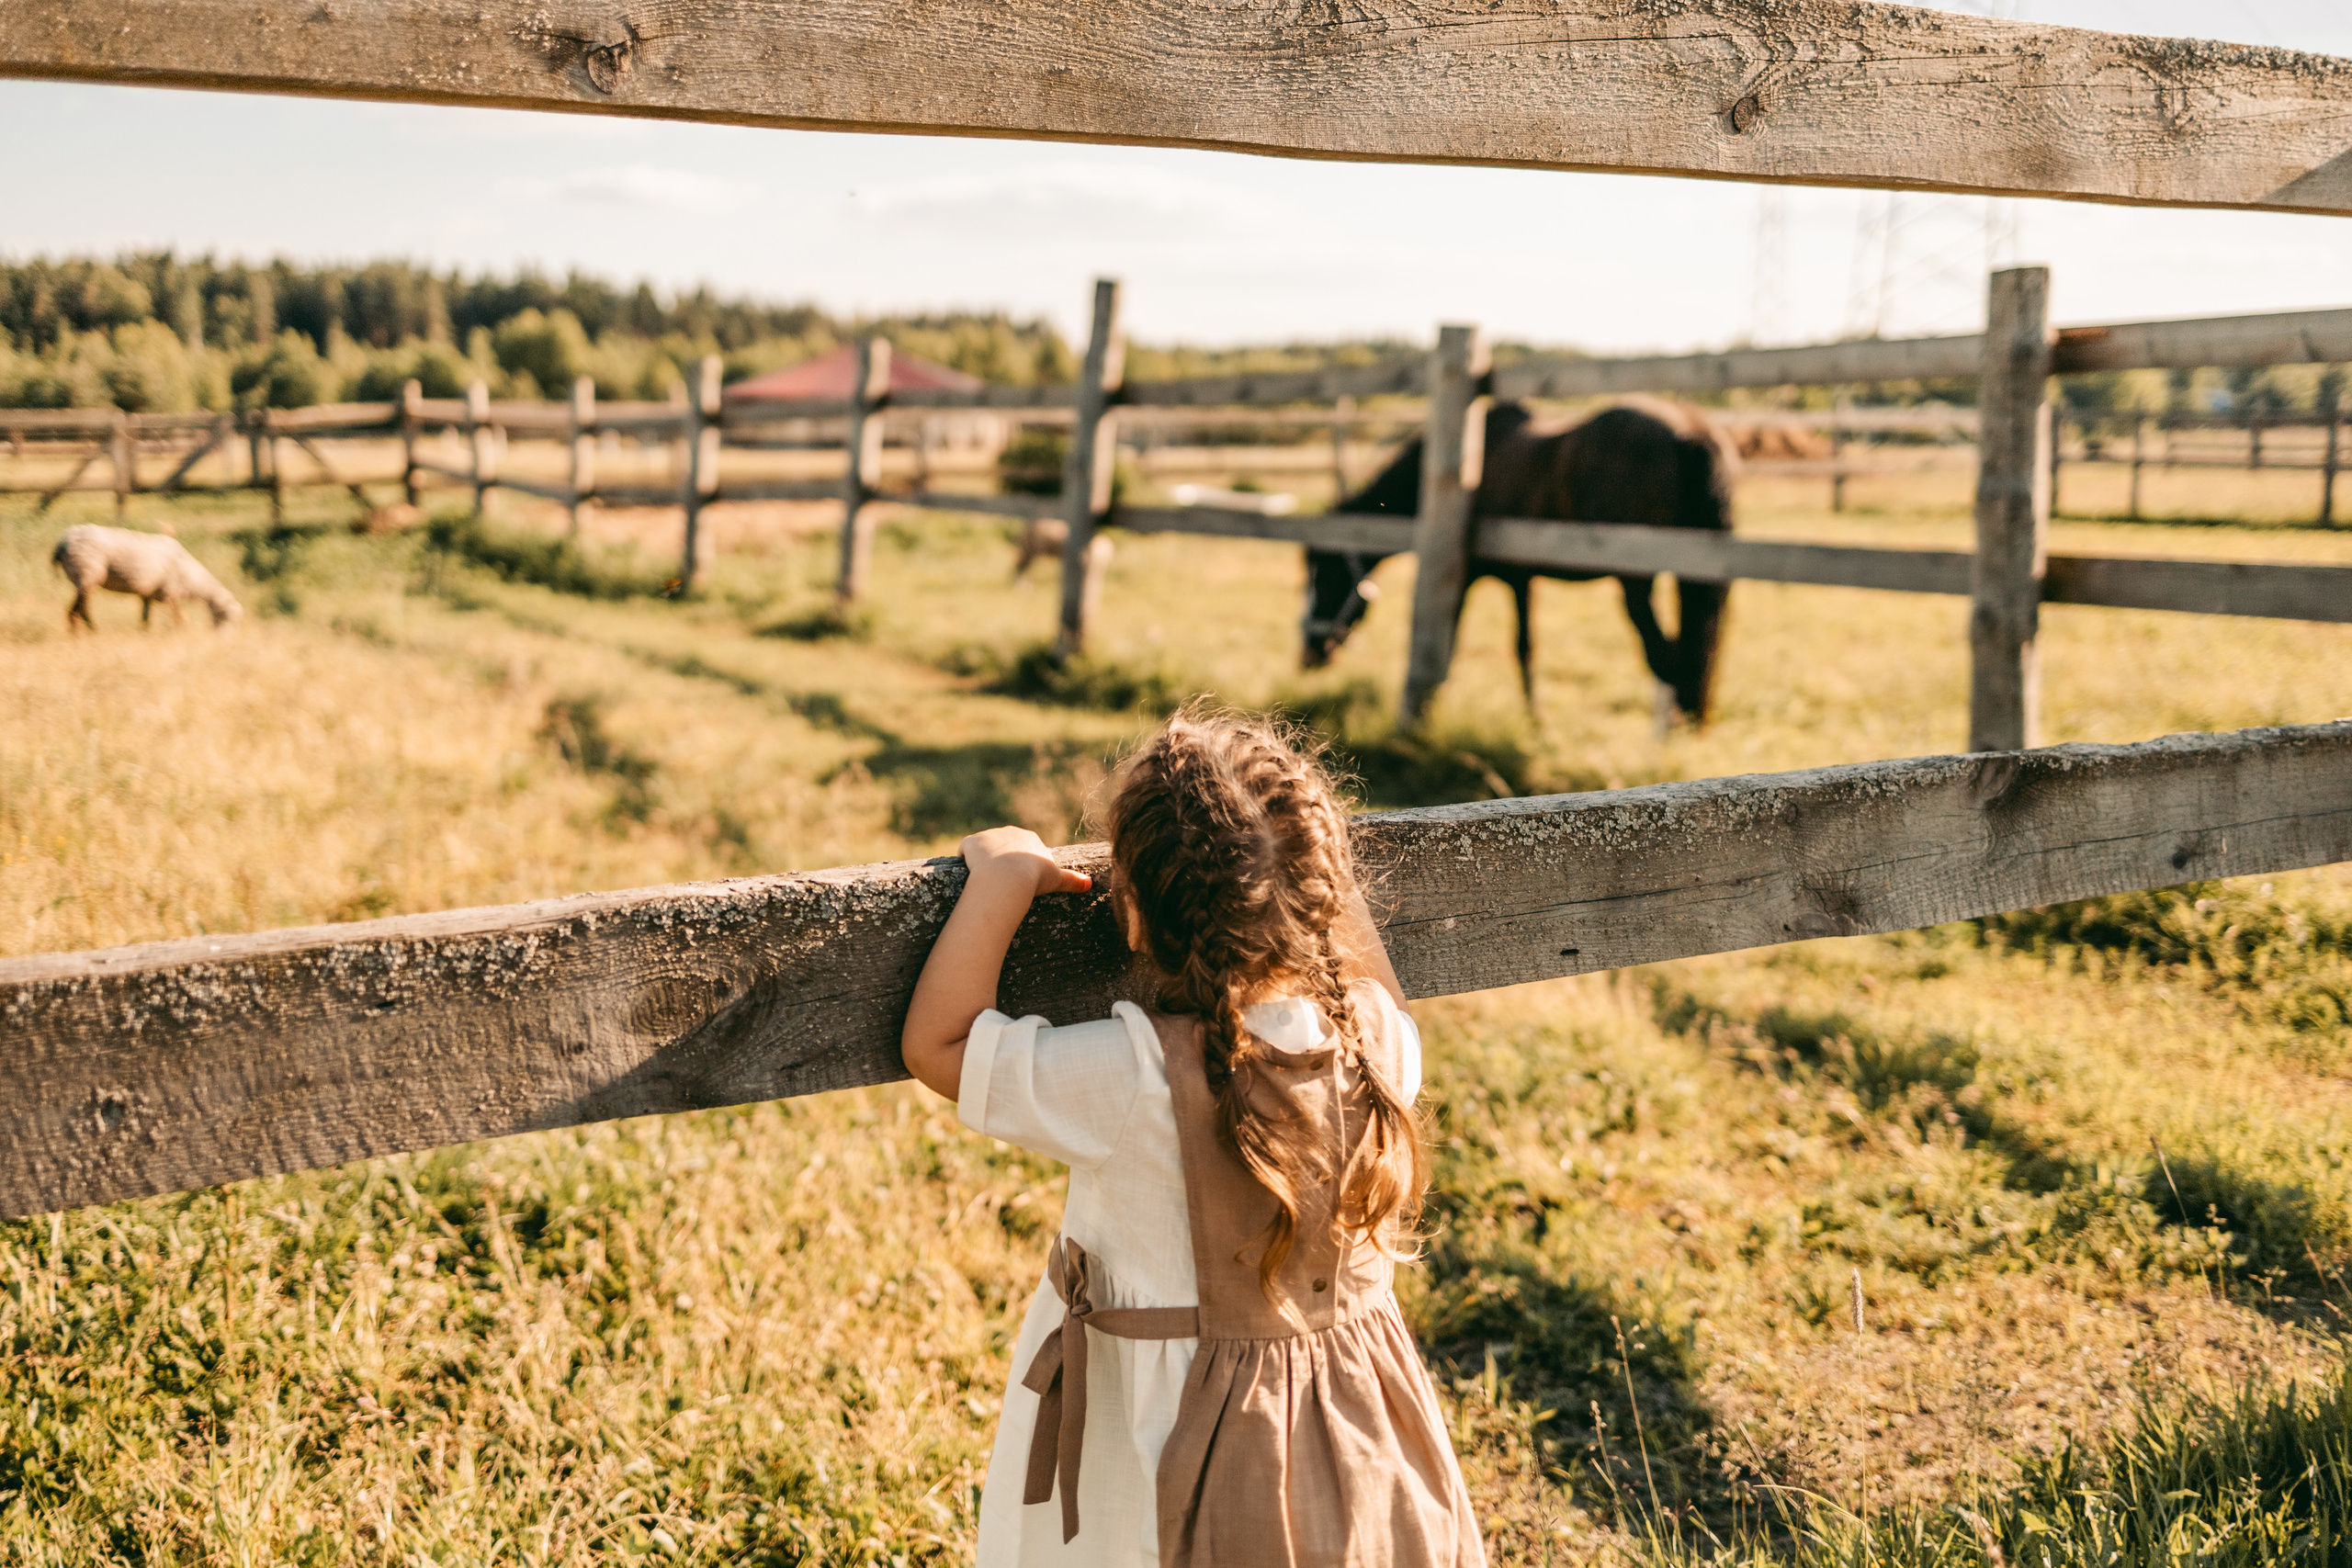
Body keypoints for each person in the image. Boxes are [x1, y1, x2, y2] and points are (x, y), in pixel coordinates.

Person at [901, 706, 1486, 1568]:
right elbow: (1375, 984)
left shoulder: (1136, 1076)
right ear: (1319, 889)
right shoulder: (1374, 1037)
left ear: (1130, 913)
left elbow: (940, 1043)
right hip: (1360, 1420)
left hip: (1170, 1432)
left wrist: (1003, 873)